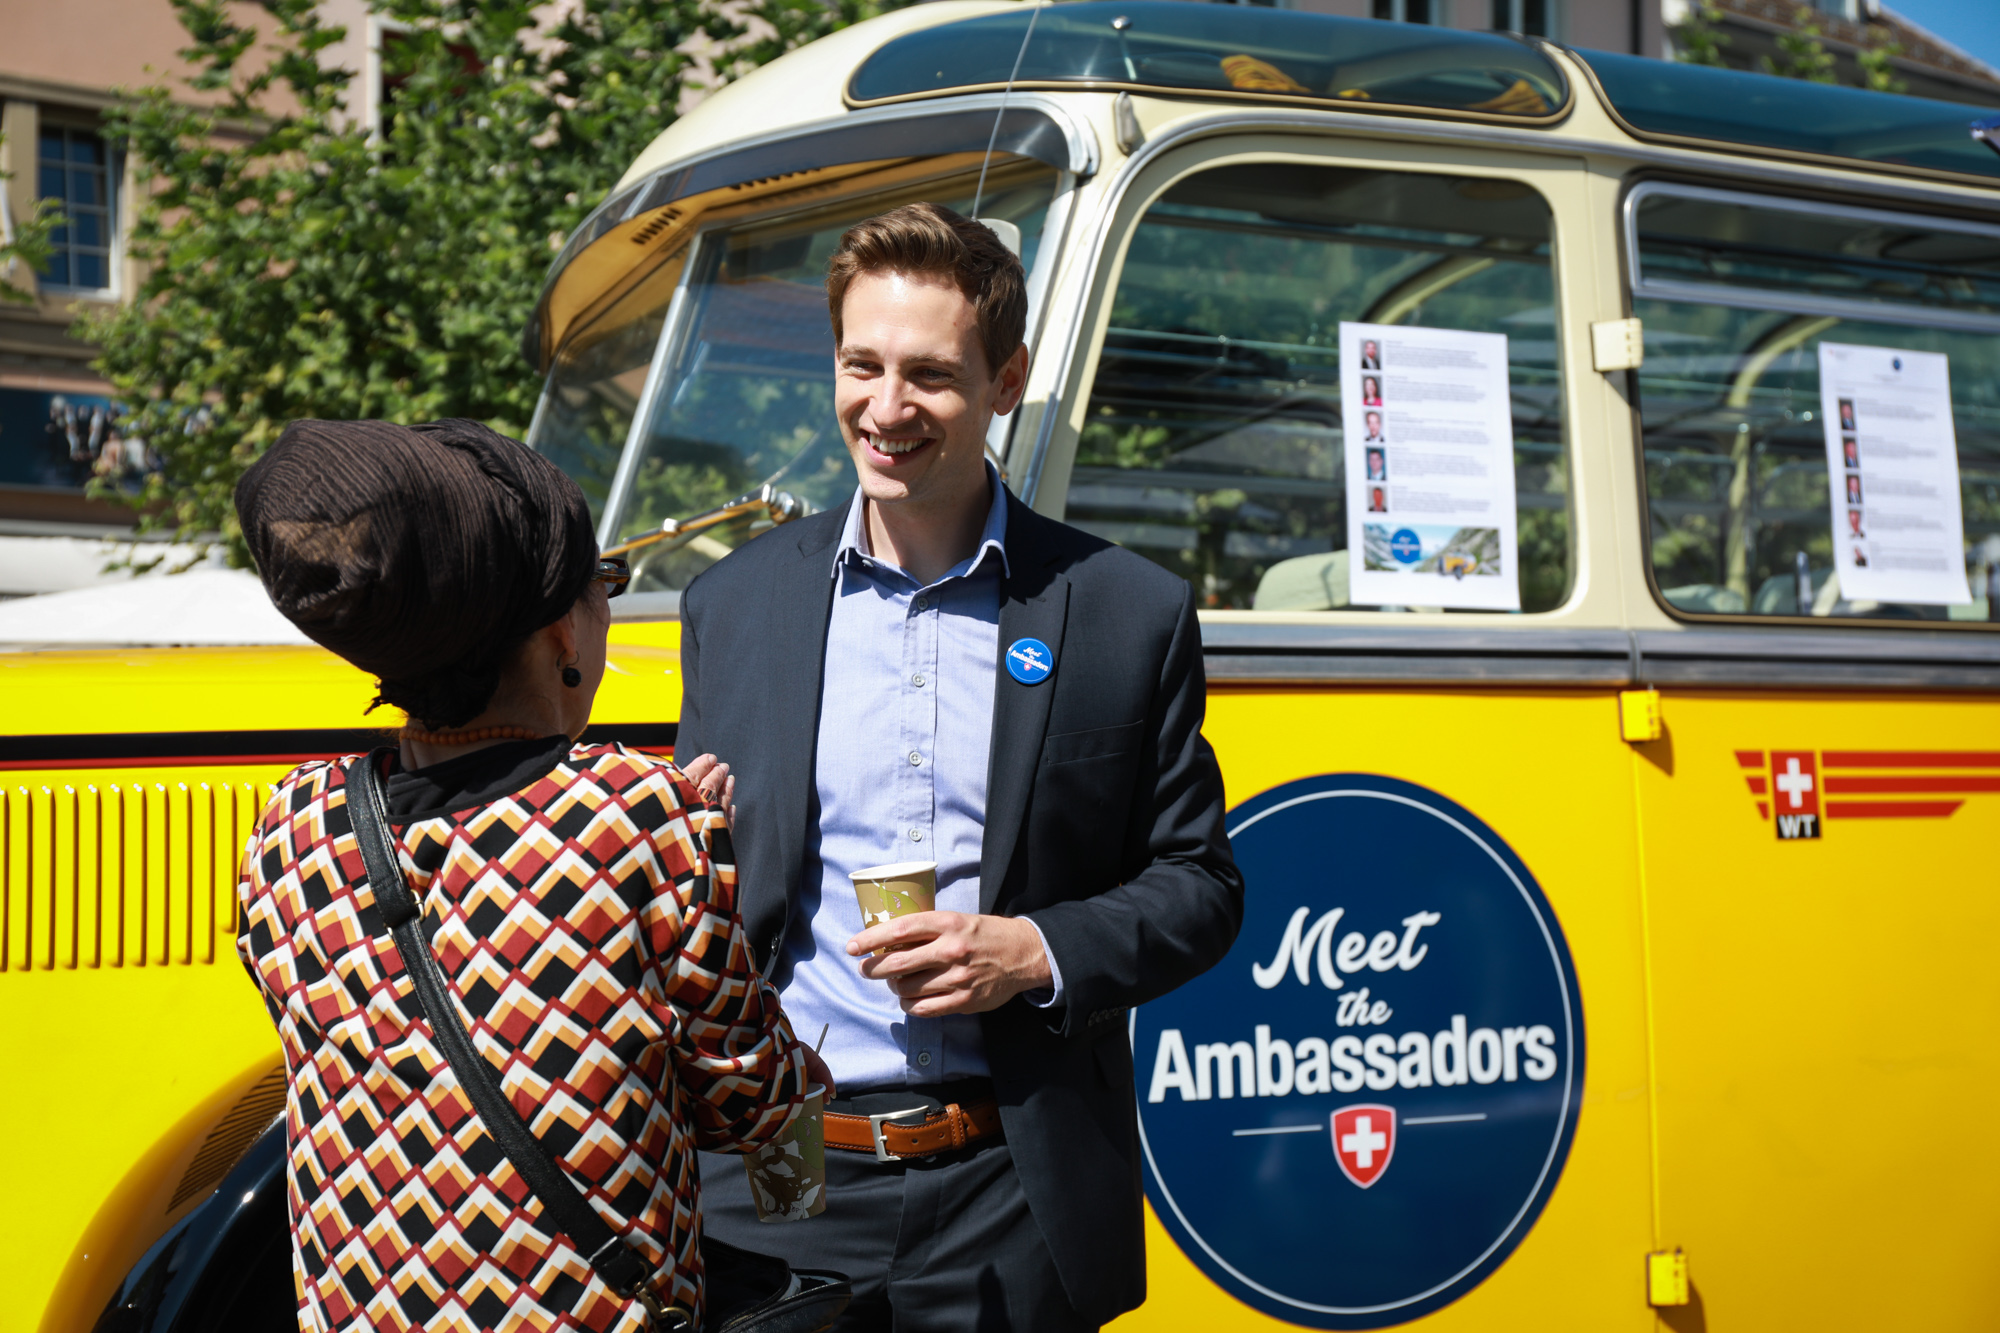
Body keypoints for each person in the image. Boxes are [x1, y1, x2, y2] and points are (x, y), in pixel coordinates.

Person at [676, 203, 1243, 1331]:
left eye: (929, 375)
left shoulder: (1126, 612)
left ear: (1006, 378)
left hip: (1006, 1186)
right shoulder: (730, 604)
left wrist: (1032, 949)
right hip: (780, 1176)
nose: (884, 411)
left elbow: (1201, 887)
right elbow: (705, 901)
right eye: (860, 365)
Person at [232, 418, 829, 1331]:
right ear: (562, 633)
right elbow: (752, 1106)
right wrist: (696, 862)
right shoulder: (636, 815)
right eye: (607, 586)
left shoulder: (291, 826)